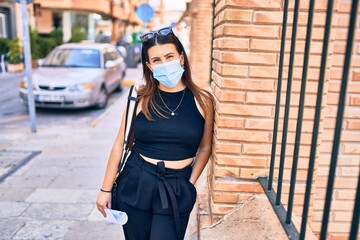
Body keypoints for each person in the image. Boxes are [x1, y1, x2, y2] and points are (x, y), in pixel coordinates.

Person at [96, 26, 214, 240]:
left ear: (181, 58)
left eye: (169, 56)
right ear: (149, 66)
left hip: (177, 186)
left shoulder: (203, 100)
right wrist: (105, 189)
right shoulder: (139, 97)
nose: (164, 63)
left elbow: (205, 147)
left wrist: (189, 182)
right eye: (157, 60)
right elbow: (120, 144)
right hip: (137, 180)